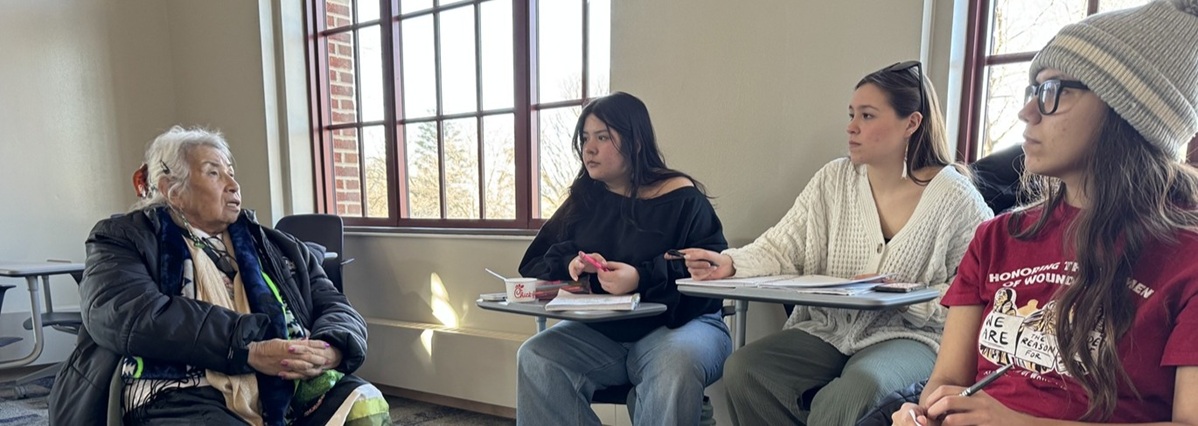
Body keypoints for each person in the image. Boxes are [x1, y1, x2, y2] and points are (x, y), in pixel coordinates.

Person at [893, 0, 1198, 424]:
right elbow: (946, 381)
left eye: (1054, 91)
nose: (1027, 111)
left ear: (1128, 112)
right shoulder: (997, 238)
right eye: (1032, 90)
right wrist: (923, 414)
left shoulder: (1187, 260)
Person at [680, 62, 992, 426]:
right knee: (747, 368)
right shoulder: (834, 180)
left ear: (912, 123)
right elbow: (782, 246)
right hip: (832, 330)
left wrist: (912, 298)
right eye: (851, 114)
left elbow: (981, 288)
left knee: (858, 388)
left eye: (867, 115)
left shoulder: (956, 198)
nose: (851, 127)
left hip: (914, 337)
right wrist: (730, 264)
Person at [49, 126, 391, 425]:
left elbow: (336, 305)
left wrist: (331, 348)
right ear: (173, 190)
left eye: (231, 172)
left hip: (287, 384)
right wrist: (250, 349)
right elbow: (126, 315)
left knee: (365, 404)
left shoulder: (277, 245)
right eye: (214, 173)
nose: (233, 184)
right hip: (176, 388)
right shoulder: (123, 238)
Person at [516, 92, 732, 425]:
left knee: (674, 365)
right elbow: (534, 262)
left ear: (636, 142)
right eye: (585, 138)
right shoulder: (584, 198)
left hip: (684, 326)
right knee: (536, 356)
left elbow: (709, 269)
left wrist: (639, 279)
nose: (589, 148)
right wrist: (573, 265)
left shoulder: (681, 196)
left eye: (602, 137)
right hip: (605, 332)